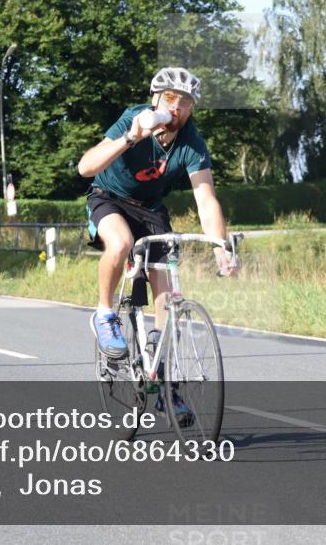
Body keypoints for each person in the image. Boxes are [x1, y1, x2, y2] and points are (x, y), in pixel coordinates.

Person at [77, 67, 238, 420]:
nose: (176, 108)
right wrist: (130, 138)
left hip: (150, 210)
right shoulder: (133, 119)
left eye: (185, 103)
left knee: (167, 288)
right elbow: (85, 167)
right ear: (156, 100)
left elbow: (206, 198)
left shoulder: (192, 142)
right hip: (109, 198)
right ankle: (105, 315)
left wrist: (219, 245)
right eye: (169, 99)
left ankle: (166, 381)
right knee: (119, 244)